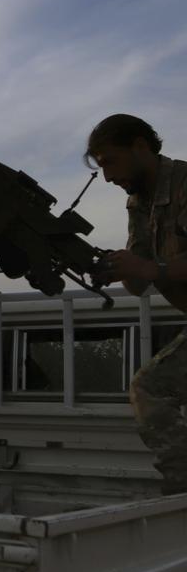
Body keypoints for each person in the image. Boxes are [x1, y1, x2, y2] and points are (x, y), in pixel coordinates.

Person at [87, 114, 187, 493]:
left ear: (141, 147)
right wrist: (116, 268)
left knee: (151, 388)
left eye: (110, 162)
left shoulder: (185, 184)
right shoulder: (138, 203)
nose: (108, 177)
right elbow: (139, 284)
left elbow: (151, 268)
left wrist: (146, 266)